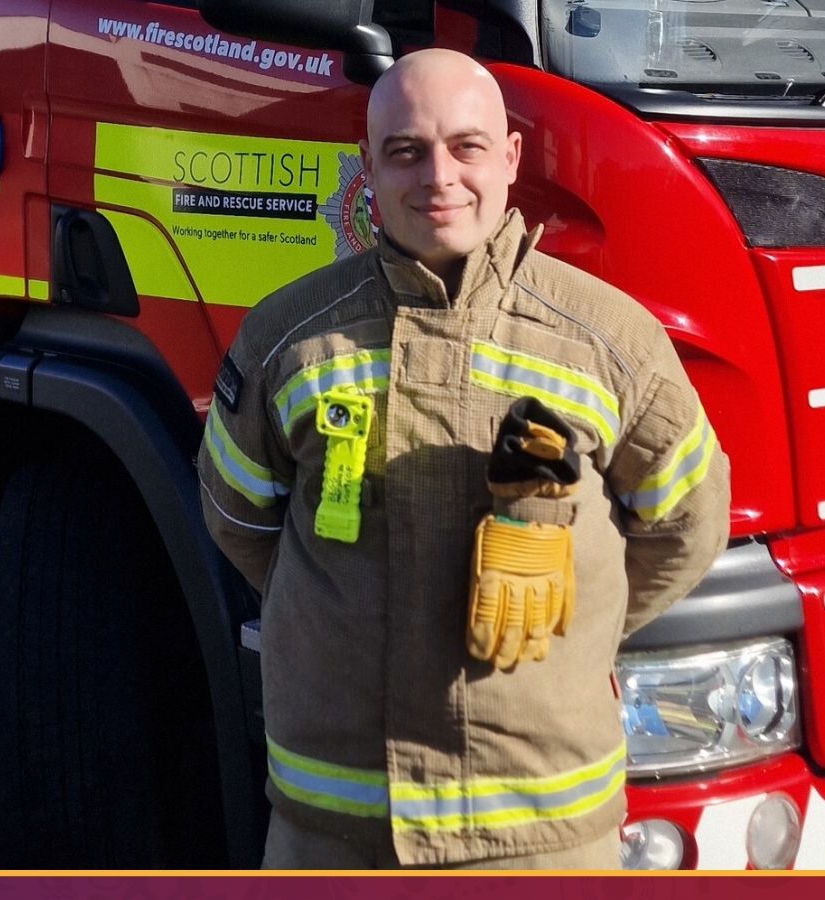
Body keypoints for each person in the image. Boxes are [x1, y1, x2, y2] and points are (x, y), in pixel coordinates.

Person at [197, 48, 730, 870]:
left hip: (540, 842)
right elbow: (239, 521)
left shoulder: (610, 341)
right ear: (368, 164)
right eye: (406, 150)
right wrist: (333, 608)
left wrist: (577, 632)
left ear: (512, 159)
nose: (438, 176)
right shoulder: (288, 339)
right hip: (333, 837)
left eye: (466, 147)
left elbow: (688, 527)